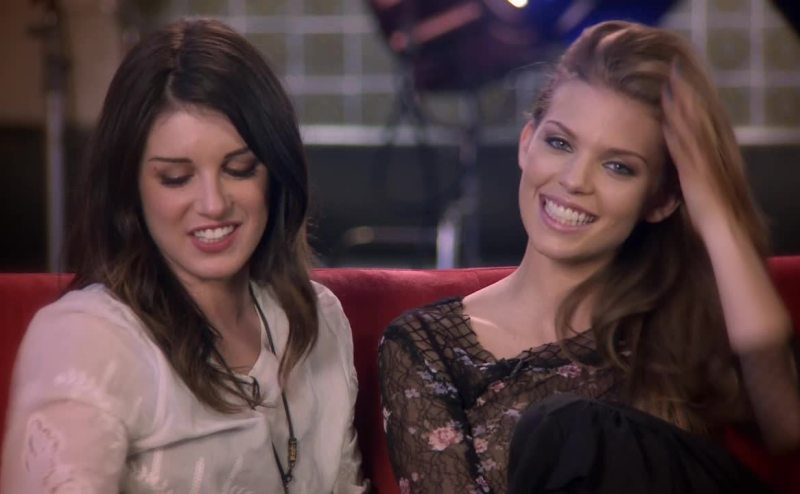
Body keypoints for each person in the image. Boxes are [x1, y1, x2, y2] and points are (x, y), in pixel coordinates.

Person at [379, 20, 800, 493]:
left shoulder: (678, 323)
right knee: (562, 429)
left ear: (662, 199)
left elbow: (787, 426)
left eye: (618, 166)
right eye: (560, 143)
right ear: (526, 143)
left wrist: (716, 214)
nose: (575, 180)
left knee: (568, 427)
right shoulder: (428, 346)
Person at [1, 19, 367, 493]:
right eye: (176, 177)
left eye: (240, 169)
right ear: (130, 190)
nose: (213, 204)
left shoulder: (319, 319)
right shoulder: (84, 339)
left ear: (275, 174)